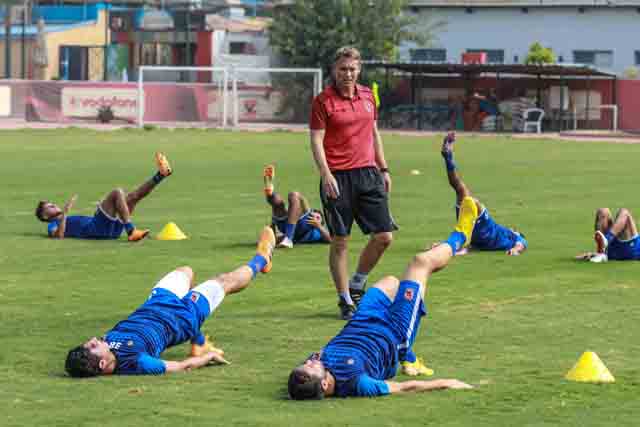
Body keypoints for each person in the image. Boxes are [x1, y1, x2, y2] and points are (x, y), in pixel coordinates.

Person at [287, 197, 479, 399]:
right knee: (421, 262)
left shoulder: (314, 367)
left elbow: (303, 381)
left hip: (363, 317)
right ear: (325, 384)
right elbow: (403, 388)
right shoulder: (358, 383)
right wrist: (447, 383)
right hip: (395, 330)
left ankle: (409, 358)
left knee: (391, 282)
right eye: (310, 367)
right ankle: (461, 237)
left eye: (305, 363)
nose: (309, 362)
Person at [64, 226, 276, 377]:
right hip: (181, 318)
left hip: (157, 302)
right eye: (94, 345)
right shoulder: (136, 362)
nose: (95, 338)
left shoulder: (105, 347)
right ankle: (262, 259)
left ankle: (198, 339)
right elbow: (181, 366)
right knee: (224, 281)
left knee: (186, 270)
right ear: (103, 363)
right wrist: (207, 357)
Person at [309, 46, 397, 320]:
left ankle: (357, 282)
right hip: (337, 177)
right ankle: (345, 299)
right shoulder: (323, 101)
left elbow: (374, 133)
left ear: (359, 70)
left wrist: (384, 168)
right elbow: (316, 140)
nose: (347, 74)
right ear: (334, 70)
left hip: (369, 174)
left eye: (352, 69)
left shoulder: (368, 96)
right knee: (340, 241)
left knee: (384, 237)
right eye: (342, 69)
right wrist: (326, 174)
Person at [35, 152, 172, 242]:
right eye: (50, 206)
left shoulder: (65, 219)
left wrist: (103, 207)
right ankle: (131, 231)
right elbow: (58, 236)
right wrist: (65, 213)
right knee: (117, 192)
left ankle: (160, 175)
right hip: (98, 229)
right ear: (45, 216)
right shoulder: (53, 224)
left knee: (132, 197)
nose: (54, 205)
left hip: (110, 231)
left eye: (52, 203)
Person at [440, 132, 527, 256]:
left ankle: (448, 158)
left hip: (486, 227)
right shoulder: (499, 241)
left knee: (464, 193)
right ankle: (448, 157)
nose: (512, 228)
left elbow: (522, 244)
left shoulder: (515, 236)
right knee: (460, 191)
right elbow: (469, 249)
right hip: (476, 237)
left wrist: (516, 250)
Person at [263, 165, 331, 248]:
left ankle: (270, 190)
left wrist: (318, 226)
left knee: (280, 204)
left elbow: (330, 240)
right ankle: (270, 191)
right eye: (315, 215)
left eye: (318, 217)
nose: (315, 218)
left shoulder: (316, 232)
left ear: (322, 223)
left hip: (288, 226)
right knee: (290, 198)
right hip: (294, 223)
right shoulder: (309, 218)